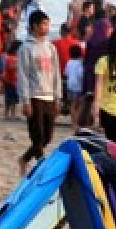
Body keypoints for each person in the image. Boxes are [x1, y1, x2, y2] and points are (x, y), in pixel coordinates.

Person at [16, 11, 61, 175]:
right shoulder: (26, 48)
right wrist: (25, 100)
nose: (46, 27)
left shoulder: (51, 48)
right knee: (37, 135)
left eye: (48, 24)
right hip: (34, 96)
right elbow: (23, 75)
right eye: (43, 24)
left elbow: (56, 73)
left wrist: (58, 97)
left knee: (47, 137)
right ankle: (42, 167)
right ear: (34, 26)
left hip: (49, 95)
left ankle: (25, 158)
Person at [65, 43, 86, 128]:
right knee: (80, 105)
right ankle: (76, 122)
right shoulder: (80, 63)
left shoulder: (69, 62)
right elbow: (80, 74)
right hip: (79, 86)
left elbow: (66, 73)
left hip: (70, 85)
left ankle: (72, 122)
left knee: (72, 105)